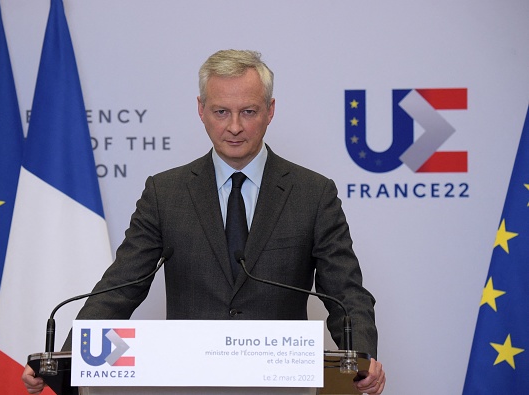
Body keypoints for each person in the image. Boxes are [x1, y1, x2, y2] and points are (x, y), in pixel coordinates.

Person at [23, 49, 386, 394]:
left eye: (248, 111)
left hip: (282, 384)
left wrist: (363, 357)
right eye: (220, 111)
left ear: (270, 110)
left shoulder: (313, 193)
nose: (234, 127)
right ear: (200, 109)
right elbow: (119, 288)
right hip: (188, 384)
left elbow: (345, 293)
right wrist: (64, 361)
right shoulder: (166, 193)